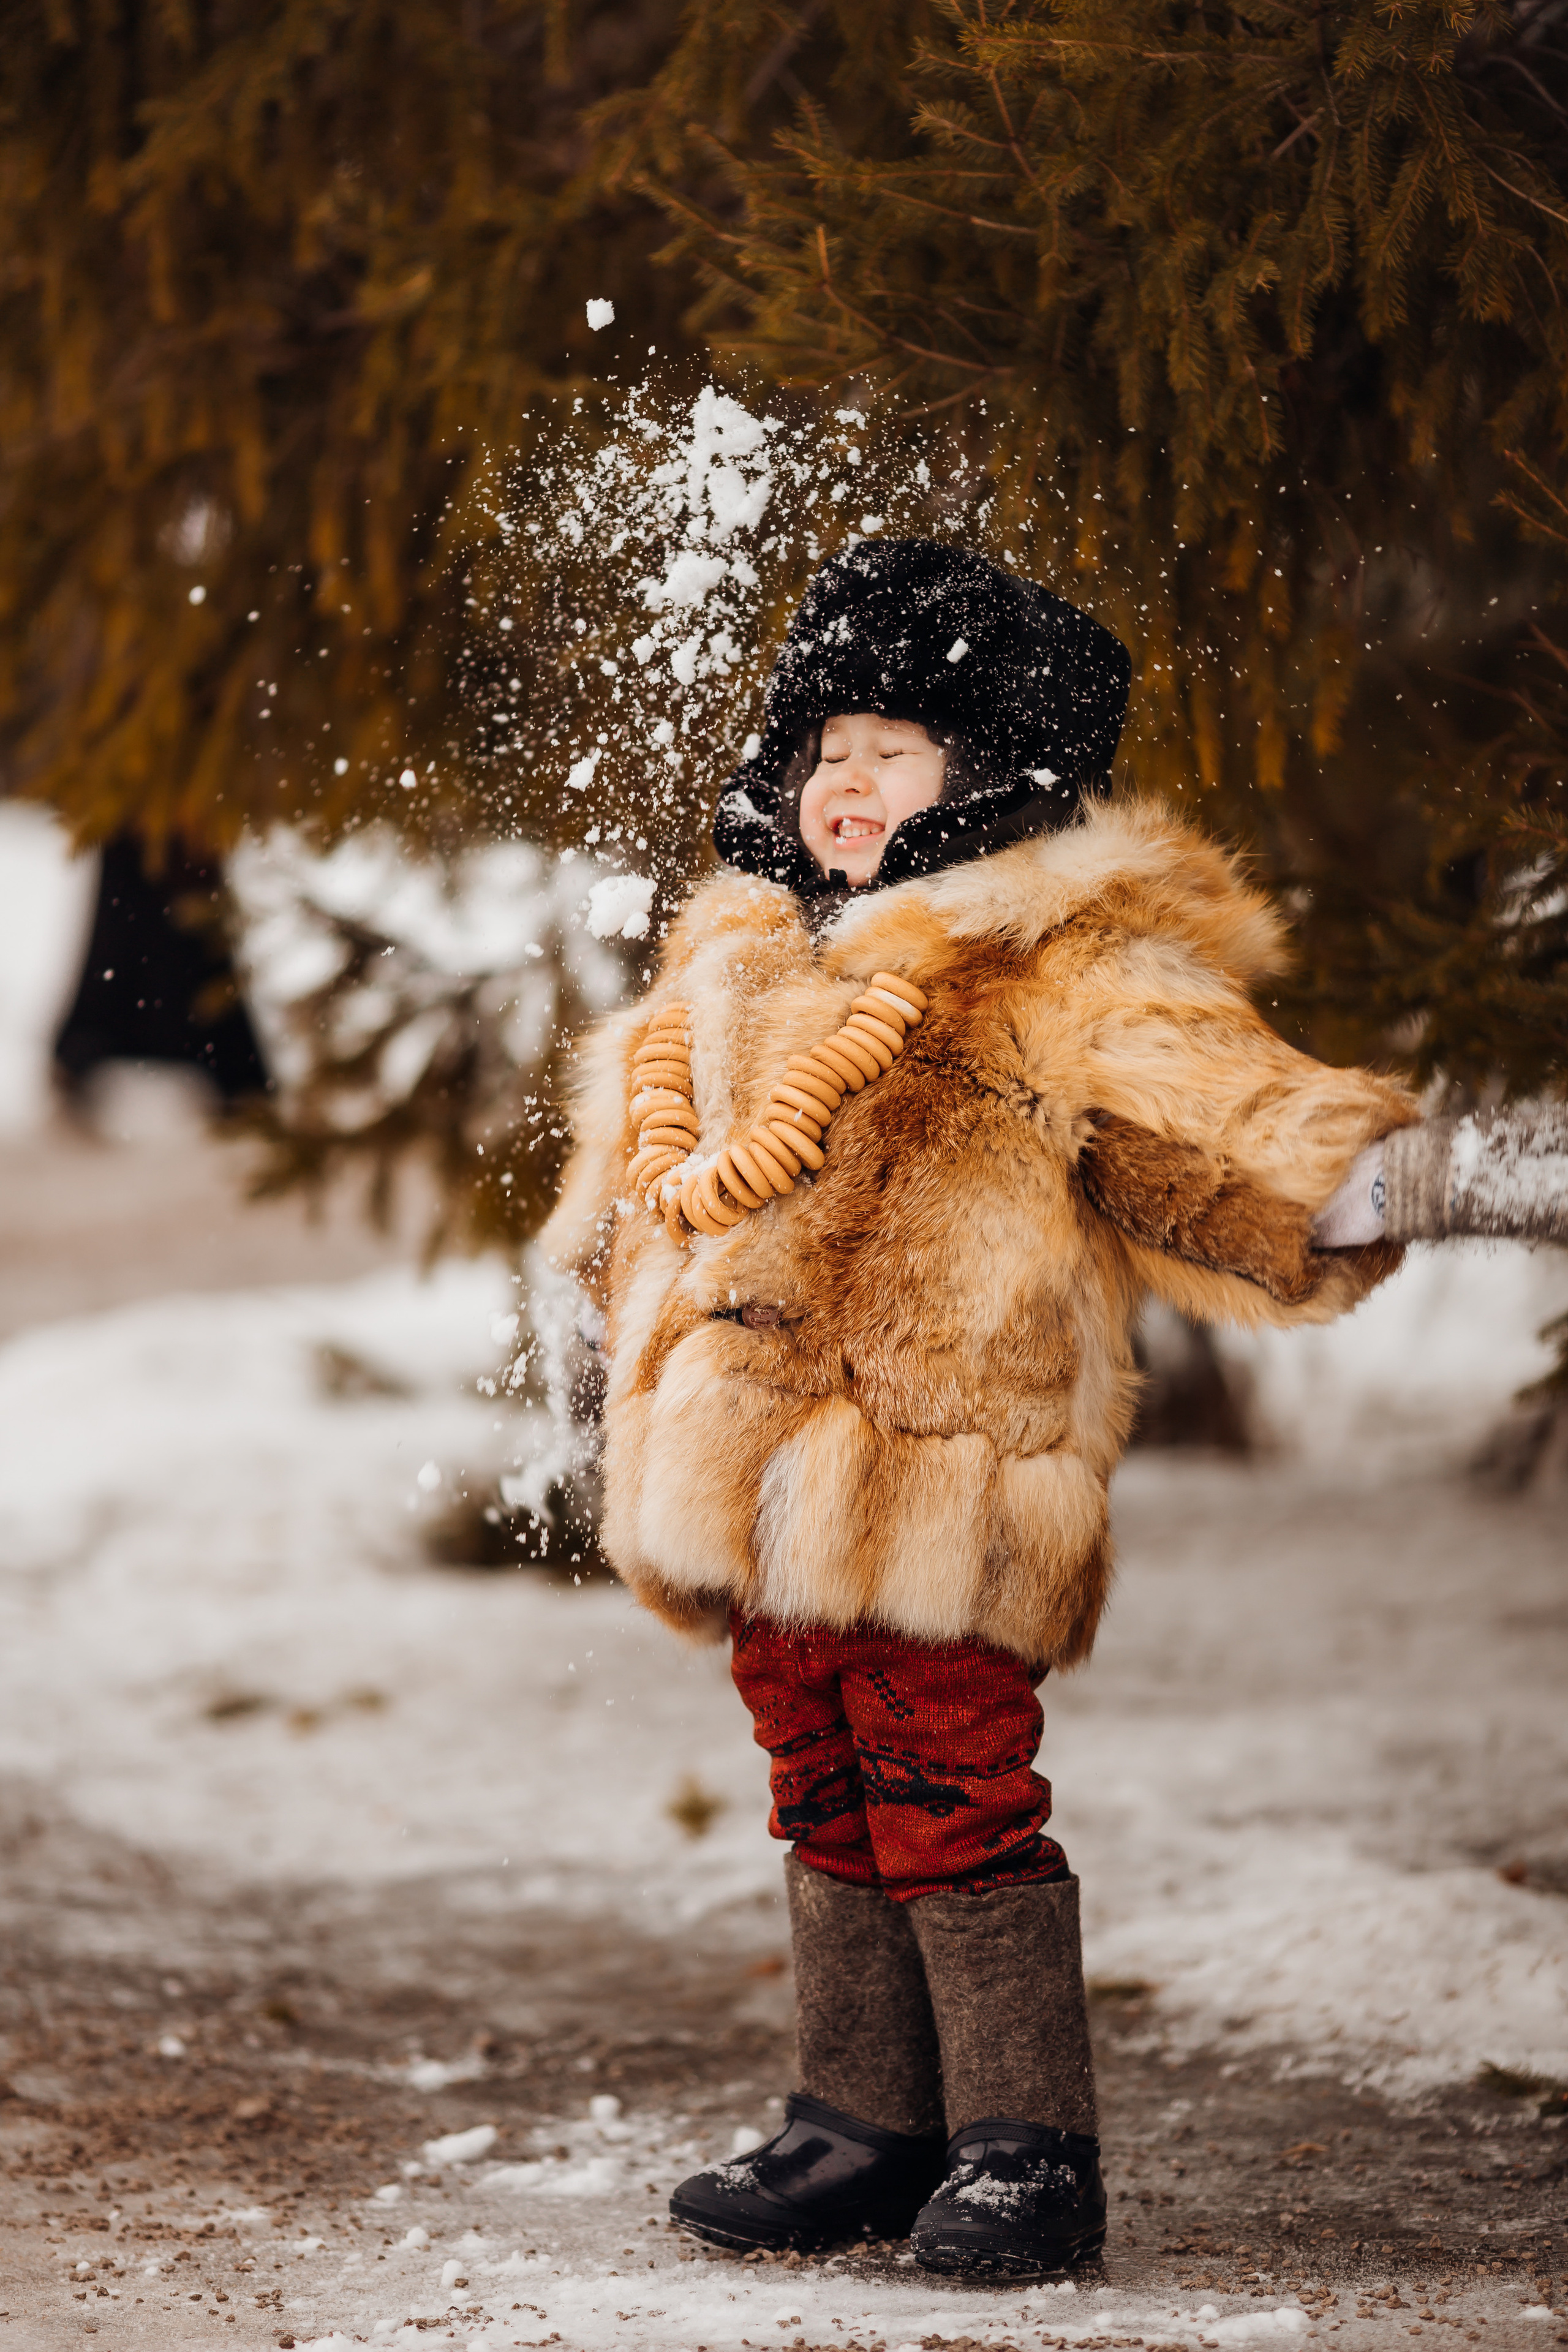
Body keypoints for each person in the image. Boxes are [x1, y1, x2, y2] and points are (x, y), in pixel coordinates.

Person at [540, 538, 1417, 2276]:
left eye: (897, 750)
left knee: (949, 1780)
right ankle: (860, 2120)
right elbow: (641, 1188)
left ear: (994, 773)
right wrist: (587, 1315)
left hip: (947, 1483)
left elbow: (1222, 1122)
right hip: (746, 1477)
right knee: (815, 1771)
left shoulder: (1061, 971)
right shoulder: (729, 971)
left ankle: (1028, 2141)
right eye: (826, 750)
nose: (846, 783)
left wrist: (1415, 1181)